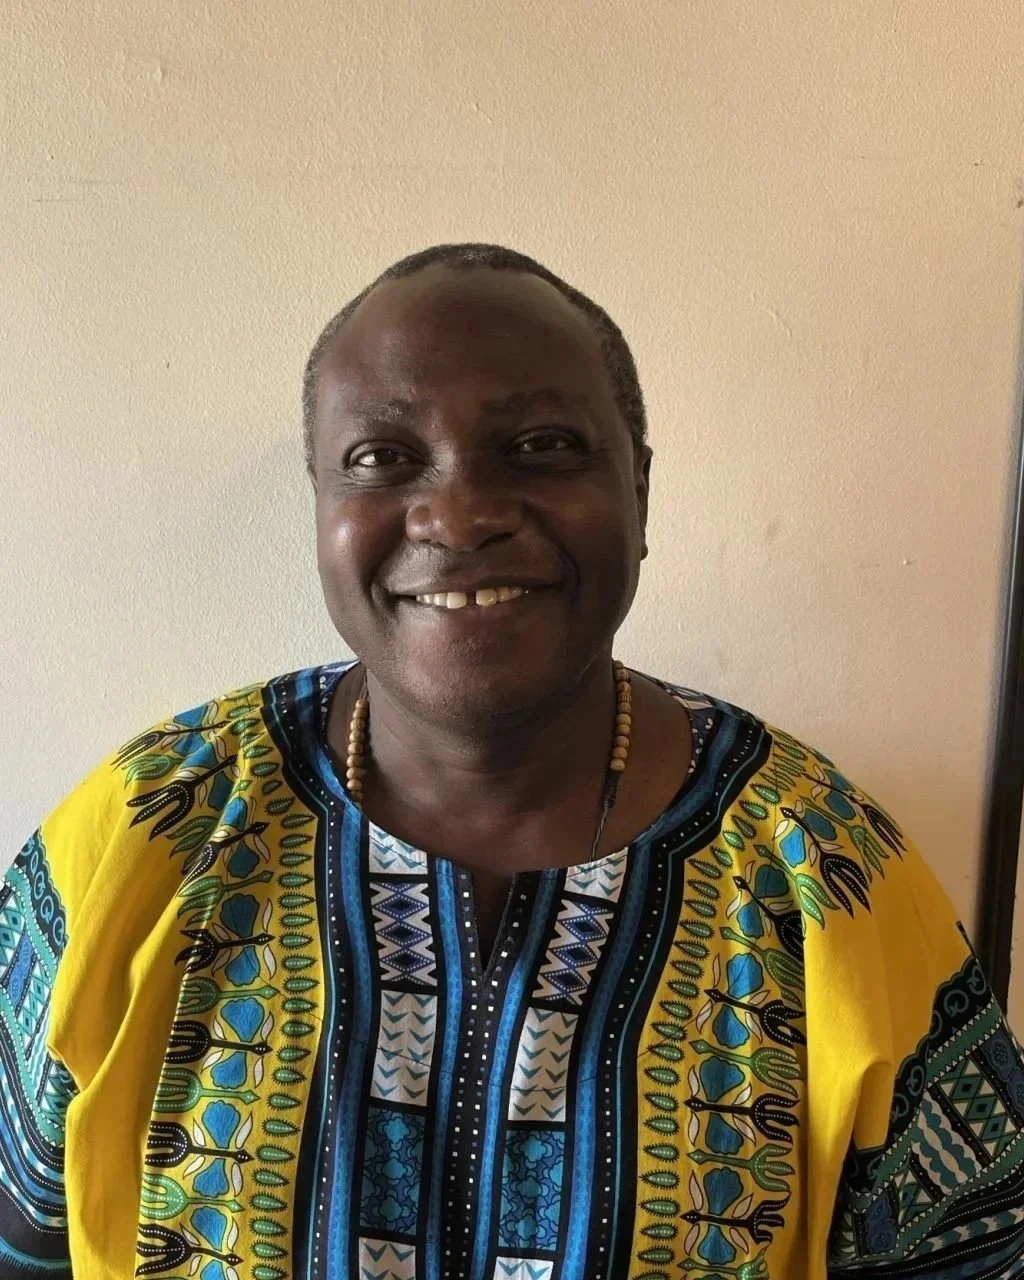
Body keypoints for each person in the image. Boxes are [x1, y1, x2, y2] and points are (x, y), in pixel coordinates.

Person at [4, 243, 1023, 1280]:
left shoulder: (828, 875)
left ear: (637, 484)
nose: (458, 512)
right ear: (319, 502)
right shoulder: (146, 836)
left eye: (540, 444)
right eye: (382, 457)